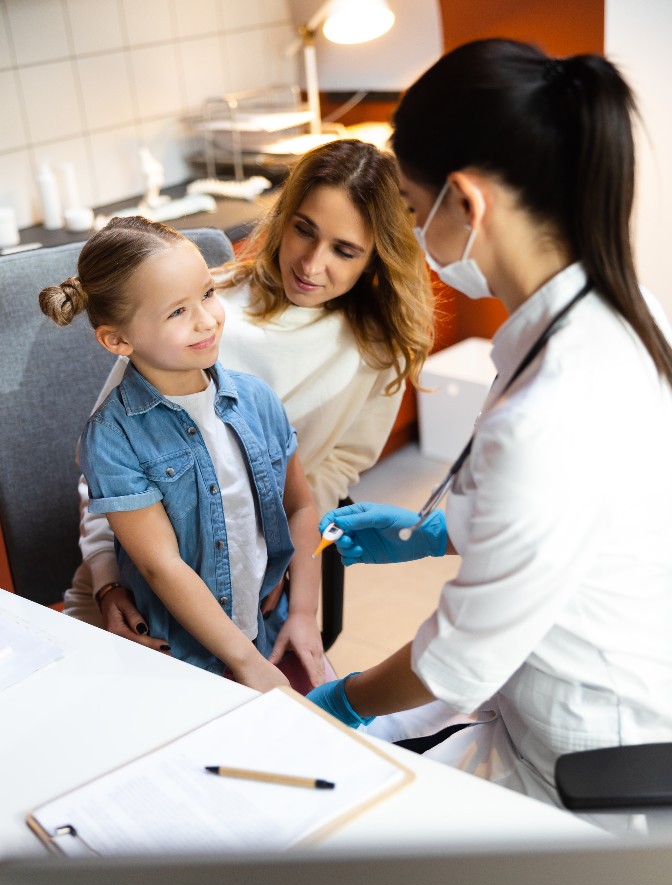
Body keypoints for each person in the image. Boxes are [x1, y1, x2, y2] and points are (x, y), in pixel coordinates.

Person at [307, 39, 672, 808]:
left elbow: (452, 665)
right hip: (560, 681)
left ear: (466, 204)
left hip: (585, 758)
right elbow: (579, 514)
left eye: (409, 207)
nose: (408, 231)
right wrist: (442, 529)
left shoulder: (553, 411)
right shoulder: (611, 311)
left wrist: (342, 702)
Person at [63, 139, 434, 659]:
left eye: (344, 250)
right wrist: (107, 581)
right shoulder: (202, 313)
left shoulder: (380, 348)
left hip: (258, 577)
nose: (310, 262)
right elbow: (102, 476)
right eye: (303, 229)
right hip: (136, 577)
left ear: (376, 260)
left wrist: (277, 556)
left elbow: (330, 473)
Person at [40, 216, 324, 693]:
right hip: (179, 657)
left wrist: (303, 613)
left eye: (208, 294)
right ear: (118, 340)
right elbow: (160, 565)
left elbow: (300, 505)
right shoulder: (112, 436)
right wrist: (246, 663)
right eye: (177, 312)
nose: (206, 319)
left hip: (265, 627)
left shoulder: (256, 400)